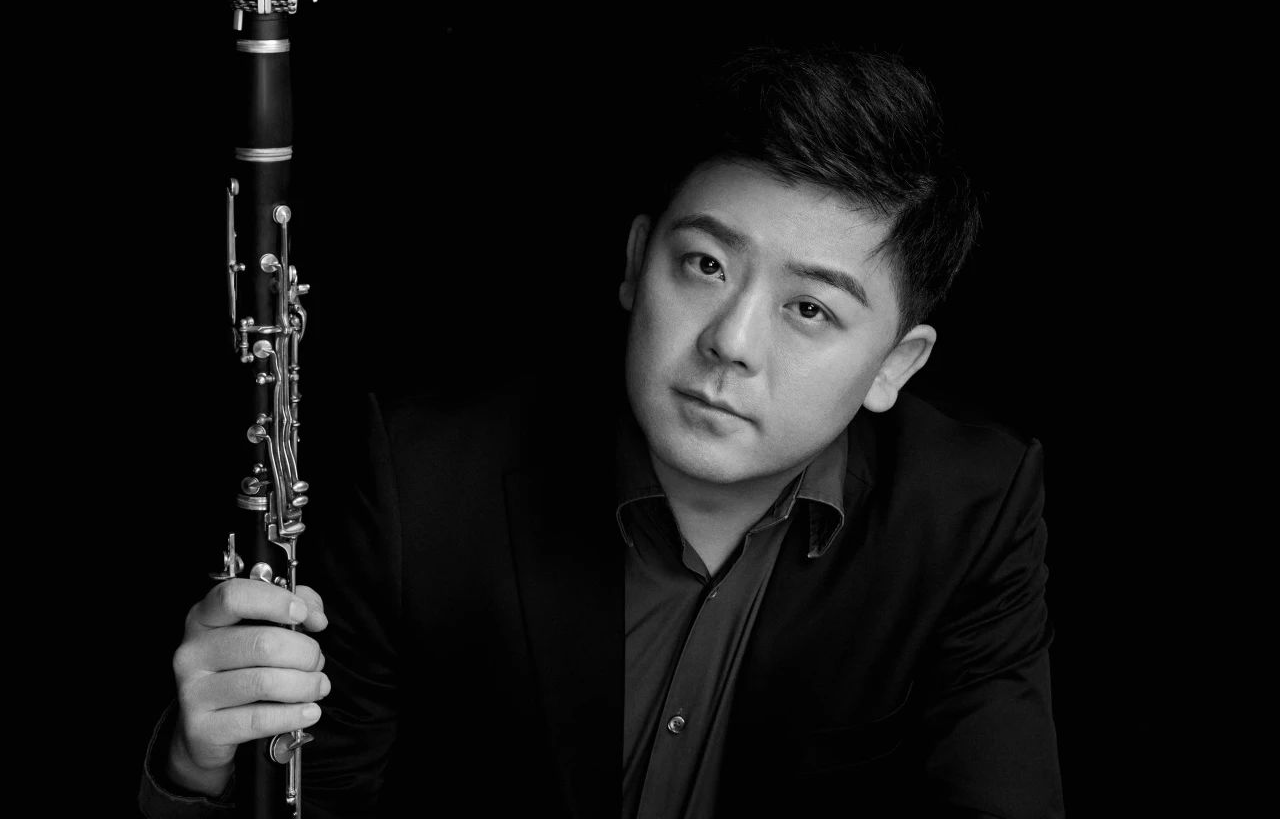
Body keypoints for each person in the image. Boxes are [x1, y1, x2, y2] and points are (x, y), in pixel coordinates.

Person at [140, 46, 1063, 817]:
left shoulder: (971, 510)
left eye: (810, 309)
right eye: (704, 264)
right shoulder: (424, 479)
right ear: (634, 262)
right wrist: (196, 773)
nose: (731, 342)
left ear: (895, 365)